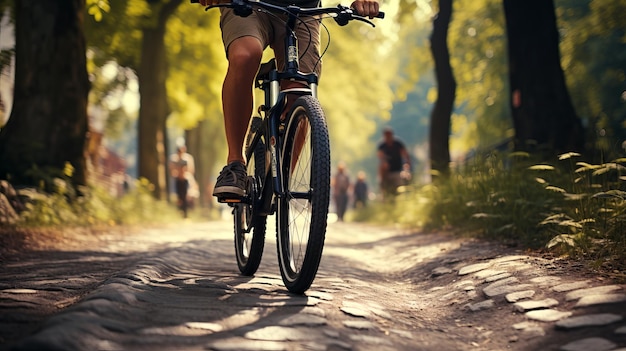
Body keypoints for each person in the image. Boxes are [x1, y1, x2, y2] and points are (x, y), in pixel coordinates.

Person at [196, 0, 380, 200]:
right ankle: (235, 165)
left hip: (304, 9)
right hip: (247, 3)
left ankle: (281, 180)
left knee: (300, 90)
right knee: (245, 55)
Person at [377, 127, 411, 199]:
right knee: (386, 190)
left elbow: (406, 155)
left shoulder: (398, 144)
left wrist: (407, 166)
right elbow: (380, 157)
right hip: (386, 173)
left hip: (397, 170)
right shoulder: (382, 146)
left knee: (399, 188)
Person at [169, 145, 196, 218]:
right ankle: (179, 212)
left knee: (187, 196)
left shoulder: (188, 158)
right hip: (177, 180)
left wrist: (184, 172)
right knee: (178, 197)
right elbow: (171, 170)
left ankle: (186, 213)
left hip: (186, 179)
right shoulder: (173, 159)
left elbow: (191, 170)